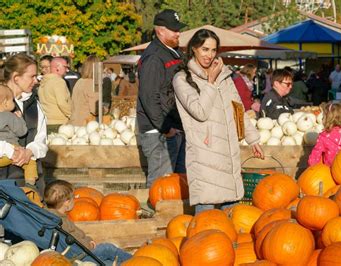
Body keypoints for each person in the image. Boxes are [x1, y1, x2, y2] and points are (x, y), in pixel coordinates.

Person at [172, 29, 264, 214]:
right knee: (206, 221)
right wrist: (211, 83)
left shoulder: (224, 76)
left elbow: (238, 109)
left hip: (228, 152)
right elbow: (200, 112)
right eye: (205, 49)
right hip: (205, 154)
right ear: (194, 49)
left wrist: (253, 139)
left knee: (231, 219)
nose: (209, 55)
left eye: (213, 50)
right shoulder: (182, 79)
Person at [136, 9, 187, 187]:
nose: (178, 33)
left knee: (177, 182)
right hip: (159, 131)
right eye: (174, 30)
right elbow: (149, 96)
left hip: (173, 127)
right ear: (160, 31)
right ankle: (155, 213)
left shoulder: (172, 52)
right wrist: (165, 127)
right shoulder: (154, 57)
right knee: (161, 184)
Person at [44, 180, 132, 264]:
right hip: (79, 255)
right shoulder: (59, 221)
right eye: (73, 198)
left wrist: (88, 240)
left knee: (108, 260)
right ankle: (136, 260)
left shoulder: (48, 215)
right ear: (67, 202)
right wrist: (88, 244)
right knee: (108, 248)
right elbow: (73, 239)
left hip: (77, 252)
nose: (75, 200)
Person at [0, 53, 48, 194]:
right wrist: (10, 151)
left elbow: (42, 139)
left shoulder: (35, 104)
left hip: (30, 181)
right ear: (16, 77)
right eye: (32, 76)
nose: (36, 80)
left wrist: (29, 152)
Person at [0, 84, 38, 186]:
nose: (14, 103)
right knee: (29, 161)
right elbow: (22, 131)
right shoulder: (8, 116)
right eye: (12, 101)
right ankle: (30, 184)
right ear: (5, 103)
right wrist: (19, 118)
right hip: (11, 151)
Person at [38, 56, 72, 130]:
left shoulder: (42, 83)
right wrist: (72, 115)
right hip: (60, 122)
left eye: (46, 67)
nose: (44, 70)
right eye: (42, 67)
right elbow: (62, 103)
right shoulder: (58, 82)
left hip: (47, 123)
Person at [69, 56, 100, 126]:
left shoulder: (79, 81)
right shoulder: (93, 84)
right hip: (87, 124)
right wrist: (105, 109)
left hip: (74, 122)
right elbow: (95, 109)